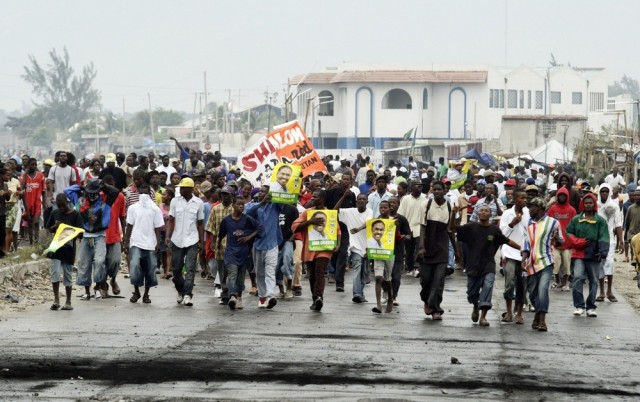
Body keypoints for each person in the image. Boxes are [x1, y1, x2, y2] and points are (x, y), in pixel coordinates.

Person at [453, 204, 520, 326]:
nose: (483, 212)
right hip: (472, 266)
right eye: (481, 210)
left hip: (488, 265)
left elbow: (507, 241)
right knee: (472, 293)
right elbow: (452, 228)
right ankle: (475, 305)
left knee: (488, 286)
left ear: (490, 214)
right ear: (478, 213)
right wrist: (453, 214)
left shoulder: (494, 230)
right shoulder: (470, 227)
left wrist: (522, 248)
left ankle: (483, 317)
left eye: (486, 211)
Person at [292, 189, 341, 312]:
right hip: (310, 248)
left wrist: (338, 245)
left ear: (323, 199)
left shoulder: (330, 214)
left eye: (315, 197)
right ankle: (315, 299)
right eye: (312, 197)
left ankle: (319, 297)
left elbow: (338, 231)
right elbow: (294, 227)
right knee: (312, 275)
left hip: (325, 248)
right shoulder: (307, 213)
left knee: (320, 271)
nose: (312, 199)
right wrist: (309, 222)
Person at [522, 197, 564, 331]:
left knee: (542, 290)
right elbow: (526, 244)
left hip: (546, 261)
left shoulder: (553, 223)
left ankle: (542, 320)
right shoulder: (528, 224)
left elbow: (561, 241)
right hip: (532, 263)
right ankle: (537, 314)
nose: (529, 210)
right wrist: (523, 258)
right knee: (532, 293)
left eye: (532, 207)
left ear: (539, 208)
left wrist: (557, 239)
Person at [566, 193, 610, 318]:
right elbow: (569, 232)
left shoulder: (600, 221)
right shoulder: (576, 219)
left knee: (594, 281)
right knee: (578, 278)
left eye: (591, 203)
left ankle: (590, 306)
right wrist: (577, 241)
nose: (588, 205)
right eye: (586, 203)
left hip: (594, 254)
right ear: (583, 204)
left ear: (594, 204)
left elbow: (604, 236)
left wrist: (602, 252)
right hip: (579, 253)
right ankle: (579, 306)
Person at [166, 177, 205, 307]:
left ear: (190, 189)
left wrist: (201, 241)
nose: (180, 190)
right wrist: (168, 236)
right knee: (176, 269)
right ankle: (180, 290)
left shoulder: (198, 203)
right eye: (180, 188)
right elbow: (171, 220)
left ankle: (188, 294)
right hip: (177, 239)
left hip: (192, 239)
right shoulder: (175, 201)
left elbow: (200, 223)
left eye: (183, 188)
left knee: (190, 268)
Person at [218, 197, 261, 310]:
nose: (241, 206)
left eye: (243, 204)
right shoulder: (226, 220)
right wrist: (216, 243)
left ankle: (239, 298)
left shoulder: (247, 219)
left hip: (243, 253)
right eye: (239, 204)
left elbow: (259, 228)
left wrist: (249, 237)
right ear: (233, 205)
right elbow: (221, 233)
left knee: (240, 279)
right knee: (232, 274)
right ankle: (232, 296)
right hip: (231, 252)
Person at [417, 181, 452, 320]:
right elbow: (422, 226)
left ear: (444, 190)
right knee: (426, 280)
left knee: (438, 281)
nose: (436, 192)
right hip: (427, 247)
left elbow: (450, 231)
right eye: (434, 189)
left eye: (439, 189)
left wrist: (456, 253)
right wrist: (421, 247)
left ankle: (436, 308)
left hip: (442, 248)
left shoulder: (449, 206)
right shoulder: (426, 205)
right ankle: (427, 300)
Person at [123, 183, 164, 304]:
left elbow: (157, 227)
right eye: (142, 193)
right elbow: (129, 225)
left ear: (150, 194)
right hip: (136, 241)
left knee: (150, 268)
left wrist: (158, 242)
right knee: (135, 265)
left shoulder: (155, 209)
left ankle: (146, 294)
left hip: (151, 243)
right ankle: (136, 291)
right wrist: (126, 242)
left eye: (146, 193)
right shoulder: (133, 208)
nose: (144, 195)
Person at [76, 179, 115, 300]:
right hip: (86, 235)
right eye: (89, 192)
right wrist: (82, 187)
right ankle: (87, 291)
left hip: (99, 235)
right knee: (83, 263)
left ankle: (97, 286)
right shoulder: (81, 201)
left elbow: (115, 191)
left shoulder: (105, 200)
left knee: (99, 261)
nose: (91, 194)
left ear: (99, 191)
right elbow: (68, 191)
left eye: (94, 191)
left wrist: (103, 185)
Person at [246, 185, 283, 309]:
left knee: (270, 271)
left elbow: (284, 202)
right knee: (260, 273)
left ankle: (271, 296)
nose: (261, 193)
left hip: (272, 243)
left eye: (264, 192)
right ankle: (262, 297)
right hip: (257, 244)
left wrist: (276, 195)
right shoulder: (252, 206)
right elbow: (248, 215)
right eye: (260, 191)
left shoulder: (275, 206)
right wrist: (262, 203)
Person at [45, 193, 83, 311]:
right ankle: (56, 299)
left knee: (67, 275)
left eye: (63, 206)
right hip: (56, 248)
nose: (61, 209)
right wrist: (55, 227)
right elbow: (48, 229)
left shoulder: (75, 215)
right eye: (59, 206)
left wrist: (68, 229)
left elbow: (81, 233)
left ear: (67, 203)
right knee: (55, 274)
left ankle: (68, 301)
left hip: (69, 249)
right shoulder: (55, 213)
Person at [498, 188, 530, 324]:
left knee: (522, 284)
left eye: (525, 198)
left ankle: (519, 313)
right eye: (521, 198)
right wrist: (512, 223)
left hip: (524, 254)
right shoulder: (507, 214)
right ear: (515, 199)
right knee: (510, 282)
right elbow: (502, 234)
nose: (524, 200)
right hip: (510, 253)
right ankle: (509, 312)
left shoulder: (529, 213)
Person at [336, 193, 373, 301]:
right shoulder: (349, 212)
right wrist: (343, 196)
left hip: (366, 246)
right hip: (355, 246)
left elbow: (368, 222)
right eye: (359, 199)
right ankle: (356, 293)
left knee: (364, 271)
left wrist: (359, 229)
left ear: (367, 201)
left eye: (364, 199)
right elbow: (335, 210)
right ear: (356, 201)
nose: (362, 201)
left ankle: (361, 294)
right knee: (357, 268)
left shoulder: (369, 211)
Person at [206, 185, 234, 303]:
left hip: (233, 245)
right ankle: (224, 291)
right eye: (223, 194)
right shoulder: (216, 209)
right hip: (219, 245)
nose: (224, 196)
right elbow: (211, 227)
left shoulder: (235, 208)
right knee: (221, 270)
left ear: (232, 195)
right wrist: (212, 242)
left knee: (232, 270)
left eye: (227, 194)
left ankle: (232, 293)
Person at [546, 186, 577, 290]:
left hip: (568, 243)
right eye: (560, 196)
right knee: (555, 262)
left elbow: (575, 225)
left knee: (566, 264)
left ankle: (565, 283)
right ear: (557, 196)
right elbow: (548, 222)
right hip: (555, 242)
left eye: (564, 196)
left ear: (567, 197)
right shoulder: (553, 209)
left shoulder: (572, 210)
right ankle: (556, 281)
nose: (562, 197)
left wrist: (573, 238)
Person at [596, 184, 623, 303]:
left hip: (610, 239)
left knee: (610, 263)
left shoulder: (614, 206)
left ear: (609, 192)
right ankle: (601, 291)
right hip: (598, 239)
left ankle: (609, 290)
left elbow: (618, 225)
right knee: (601, 264)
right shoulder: (595, 205)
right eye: (602, 192)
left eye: (607, 192)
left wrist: (620, 241)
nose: (604, 194)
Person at [398, 180, 428, 276]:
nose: (420, 188)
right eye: (417, 186)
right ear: (412, 188)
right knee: (409, 250)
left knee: (419, 248)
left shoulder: (425, 198)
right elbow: (401, 214)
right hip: (408, 228)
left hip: (420, 227)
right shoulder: (405, 199)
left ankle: (417, 267)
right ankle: (410, 268)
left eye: (421, 186)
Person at [368, 205, 394, 314]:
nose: (383, 210)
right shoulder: (376, 221)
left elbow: (402, 235)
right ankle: (378, 304)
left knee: (387, 279)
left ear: (389, 209)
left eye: (385, 208)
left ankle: (390, 299)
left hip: (389, 253)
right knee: (378, 278)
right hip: (378, 254)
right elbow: (366, 227)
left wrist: (399, 234)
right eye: (381, 208)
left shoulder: (394, 220)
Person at [22, 158, 46, 245]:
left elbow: (44, 190)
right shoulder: (24, 176)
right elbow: (21, 188)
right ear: (28, 165)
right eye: (32, 165)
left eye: (35, 164)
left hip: (37, 202)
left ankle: (36, 241)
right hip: (27, 203)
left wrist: (45, 202)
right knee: (29, 223)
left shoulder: (40, 175)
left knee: (36, 222)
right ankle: (31, 243)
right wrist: (25, 175)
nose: (34, 166)